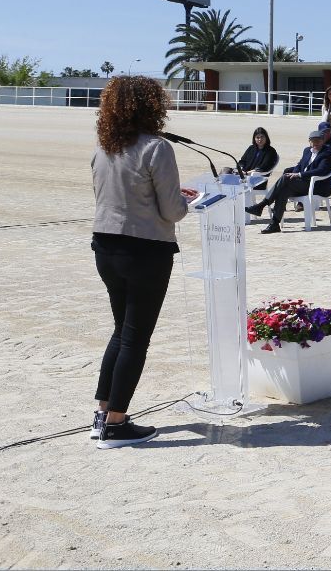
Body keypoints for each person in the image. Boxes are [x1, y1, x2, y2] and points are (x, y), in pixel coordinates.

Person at [90, 76, 198, 448]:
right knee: (135, 338)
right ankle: (117, 424)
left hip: (105, 247)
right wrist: (189, 202)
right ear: (151, 106)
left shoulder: (104, 148)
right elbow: (173, 212)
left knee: (121, 332)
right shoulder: (156, 148)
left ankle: (103, 413)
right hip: (145, 251)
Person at [245, 129, 331, 233]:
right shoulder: (307, 150)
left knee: (285, 178)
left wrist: (298, 174)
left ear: (323, 141)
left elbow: (321, 170)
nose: (315, 143)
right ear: (309, 141)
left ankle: (261, 205)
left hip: (315, 186)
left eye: (318, 140)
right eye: (313, 140)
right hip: (302, 184)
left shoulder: (327, 153)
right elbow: (299, 165)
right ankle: (274, 224)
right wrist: (294, 173)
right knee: (284, 191)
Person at [237, 126, 279, 191]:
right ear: (254, 139)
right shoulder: (251, 148)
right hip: (244, 177)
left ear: (266, 138)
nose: (260, 139)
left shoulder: (271, 151)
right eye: (257, 137)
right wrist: (241, 169)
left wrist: (248, 173)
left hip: (258, 180)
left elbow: (264, 167)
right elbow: (242, 161)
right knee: (225, 170)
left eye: (262, 137)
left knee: (231, 181)